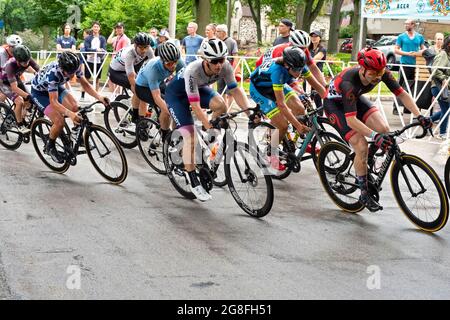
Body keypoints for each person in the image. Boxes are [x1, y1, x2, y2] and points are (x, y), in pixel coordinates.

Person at [323, 47, 431, 212]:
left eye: (379, 73)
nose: (377, 77)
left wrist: (419, 116)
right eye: (372, 73)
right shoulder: (349, 83)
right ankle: (364, 193)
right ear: (362, 69)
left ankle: (367, 161)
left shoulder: (383, 73)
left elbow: (402, 95)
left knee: (384, 129)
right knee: (361, 145)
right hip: (335, 105)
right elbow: (351, 120)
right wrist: (374, 136)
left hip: (354, 99)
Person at [165, 39, 252, 201]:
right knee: (190, 137)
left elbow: (235, 90)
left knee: (221, 106)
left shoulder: (225, 67)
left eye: (222, 60)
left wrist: (249, 113)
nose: (219, 65)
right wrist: (207, 123)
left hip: (198, 90)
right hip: (177, 96)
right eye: (214, 61)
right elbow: (196, 107)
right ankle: (191, 178)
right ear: (205, 60)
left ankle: (208, 141)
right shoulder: (193, 70)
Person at [249, 47, 325, 171]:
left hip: (277, 84)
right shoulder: (277, 71)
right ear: (286, 65)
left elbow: (316, 85)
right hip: (260, 90)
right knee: (282, 125)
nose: (299, 73)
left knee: (300, 108)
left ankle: (302, 143)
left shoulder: (298, 65)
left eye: (300, 69)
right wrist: (298, 125)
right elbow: (282, 104)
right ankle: (271, 153)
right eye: (295, 70)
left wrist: (329, 100)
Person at [30, 52, 109, 163]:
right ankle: (50, 146)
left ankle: (76, 135)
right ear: (62, 68)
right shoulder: (53, 74)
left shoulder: (74, 67)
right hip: (39, 93)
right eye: (69, 73)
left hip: (56, 87)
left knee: (75, 107)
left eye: (73, 72)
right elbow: (54, 102)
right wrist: (70, 114)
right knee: (59, 121)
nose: (72, 76)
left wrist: (99, 97)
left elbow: (85, 85)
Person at [135, 41, 185, 139]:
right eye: (169, 63)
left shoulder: (177, 61)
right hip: (142, 87)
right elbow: (157, 97)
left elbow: (185, 81)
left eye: (175, 62)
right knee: (167, 107)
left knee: (176, 101)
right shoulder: (153, 68)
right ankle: (164, 134)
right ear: (162, 60)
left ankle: (163, 121)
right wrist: (172, 111)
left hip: (159, 82)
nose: (173, 66)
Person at [108, 32, 155, 123]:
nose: (144, 50)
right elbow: (131, 77)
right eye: (141, 47)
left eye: (146, 47)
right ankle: (135, 115)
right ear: (135, 46)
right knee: (140, 91)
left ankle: (139, 114)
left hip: (134, 65)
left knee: (143, 87)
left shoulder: (148, 49)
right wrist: (140, 90)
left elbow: (153, 65)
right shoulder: (129, 54)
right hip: (116, 72)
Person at [256, 29, 327, 87]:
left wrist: (325, 85)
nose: (302, 51)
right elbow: (281, 76)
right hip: (263, 70)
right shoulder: (282, 52)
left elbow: (313, 68)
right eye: (299, 48)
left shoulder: (304, 50)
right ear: (291, 45)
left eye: (304, 48)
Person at [0, 45, 39, 133]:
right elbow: (14, 88)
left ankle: (20, 117)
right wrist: (28, 96)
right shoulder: (10, 66)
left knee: (28, 101)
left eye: (28, 61)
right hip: (4, 83)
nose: (26, 64)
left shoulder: (27, 59)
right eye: (23, 62)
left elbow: (39, 71)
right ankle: (19, 124)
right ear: (17, 60)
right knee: (19, 101)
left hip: (15, 78)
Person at [394, 19, 426, 115]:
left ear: (413, 25)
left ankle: (407, 108)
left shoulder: (419, 37)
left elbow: (423, 48)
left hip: (416, 65)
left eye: (407, 24)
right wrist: (407, 53)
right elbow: (396, 50)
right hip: (404, 64)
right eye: (405, 24)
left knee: (412, 87)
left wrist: (420, 53)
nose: (406, 26)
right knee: (399, 86)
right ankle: (395, 107)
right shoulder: (401, 37)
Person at [430, 36, 450, 139]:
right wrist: (443, 78)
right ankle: (442, 133)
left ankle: (427, 121)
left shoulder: (447, 55)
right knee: (446, 109)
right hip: (438, 86)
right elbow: (435, 69)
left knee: (446, 109)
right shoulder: (443, 54)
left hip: (442, 87)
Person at [215, 24, 238, 107]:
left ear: (224, 32)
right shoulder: (217, 41)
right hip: (219, 69)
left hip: (229, 69)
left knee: (230, 91)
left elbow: (235, 56)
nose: (216, 33)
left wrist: (235, 69)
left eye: (218, 31)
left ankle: (229, 109)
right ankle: (224, 108)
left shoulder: (232, 42)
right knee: (220, 90)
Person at [84, 21, 107, 92]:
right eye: (94, 26)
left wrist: (99, 51)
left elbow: (103, 49)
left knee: (97, 79)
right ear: (92, 28)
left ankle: (97, 94)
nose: (96, 28)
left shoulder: (102, 38)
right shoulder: (88, 38)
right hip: (89, 60)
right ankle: (83, 94)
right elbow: (87, 49)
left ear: (99, 28)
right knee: (87, 78)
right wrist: (96, 50)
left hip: (99, 60)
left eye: (97, 27)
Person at [308, 30, 327, 111]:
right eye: (312, 36)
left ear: (320, 38)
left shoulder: (322, 49)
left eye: (316, 36)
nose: (314, 38)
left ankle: (320, 116)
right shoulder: (308, 49)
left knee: (317, 97)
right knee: (307, 98)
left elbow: (314, 60)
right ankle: (309, 118)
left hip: (317, 75)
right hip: (308, 74)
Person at [0, 34, 23, 102]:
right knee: (4, 93)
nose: (17, 49)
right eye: (14, 47)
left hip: (7, 72)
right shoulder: (2, 53)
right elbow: (5, 71)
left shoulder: (18, 52)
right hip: (2, 71)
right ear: (10, 46)